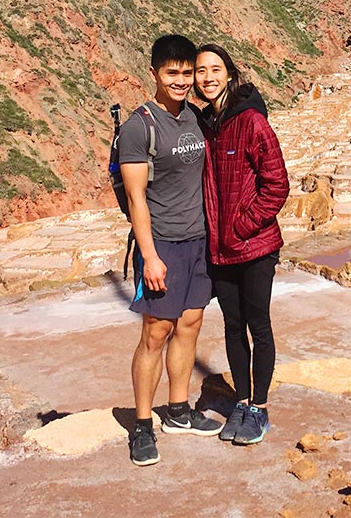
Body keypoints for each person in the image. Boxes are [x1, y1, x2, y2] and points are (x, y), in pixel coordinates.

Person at [119, 34, 222, 467]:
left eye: (186, 73)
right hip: (163, 244)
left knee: (190, 324)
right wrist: (151, 255)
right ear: (155, 74)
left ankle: (178, 410)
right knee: (156, 333)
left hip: (198, 241)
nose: (181, 81)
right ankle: (143, 425)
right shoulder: (139, 126)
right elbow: (136, 197)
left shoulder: (195, 118)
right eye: (172, 73)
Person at [194, 43, 290, 445]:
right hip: (221, 251)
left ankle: (260, 409)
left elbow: (277, 185)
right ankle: (243, 400)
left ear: (230, 74)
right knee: (233, 328)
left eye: (215, 69)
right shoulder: (205, 126)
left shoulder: (251, 122)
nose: (208, 77)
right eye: (201, 71)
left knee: (259, 325)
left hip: (254, 247)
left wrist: (240, 226)